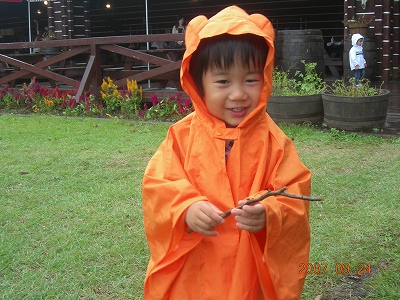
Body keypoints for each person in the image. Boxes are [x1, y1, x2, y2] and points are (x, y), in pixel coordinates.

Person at [142, 5, 311, 299]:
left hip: (247, 273)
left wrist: (268, 213)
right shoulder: (181, 136)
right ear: (199, 85)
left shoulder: (274, 141)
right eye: (223, 81)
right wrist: (186, 207)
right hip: (195, 271)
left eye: (250, 79)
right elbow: (159, 185)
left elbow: (293, 193)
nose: (238, 94)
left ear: (265, 79)